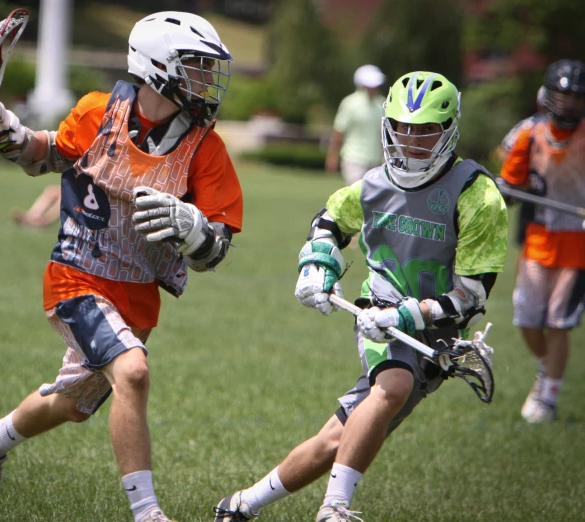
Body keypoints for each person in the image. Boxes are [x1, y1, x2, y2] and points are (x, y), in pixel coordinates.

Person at [0, 12, 242, 522]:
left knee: (72, 404)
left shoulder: (206, 147)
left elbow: (217, 248)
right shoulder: (97, 111)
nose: (205, 79)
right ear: (158, 68)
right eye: (195, 66)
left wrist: (195, 231)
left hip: (137, 298)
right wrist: (3, 130)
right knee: (131, 372)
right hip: (77, 274)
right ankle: (148, 513)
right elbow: (46, 155)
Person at [213, 71, 507, 522]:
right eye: (402, 128)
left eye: (426, 130)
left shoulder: (478, 196)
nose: (411, 141)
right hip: (378, 311)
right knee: (394, 385)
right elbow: (329, 220)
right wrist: (317, 266)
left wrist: (411, 315)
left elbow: (470, 295)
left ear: (449, 131)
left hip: (434, 336)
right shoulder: (373, 184)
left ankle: (242, 505)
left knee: (338, 438)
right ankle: (334, 509)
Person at [499, 60, 585, 423]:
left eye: (576, 96)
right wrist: (505, 192)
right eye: (562, 94)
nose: (568, 103)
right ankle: (546, 369)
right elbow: (510, 186)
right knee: (526, 319)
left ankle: (548, 397)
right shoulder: (529, 136)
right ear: (548, 95)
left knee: (558, 321)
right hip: (537, 240)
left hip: (578, 244)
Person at [497, 86, 585, 310]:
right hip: (534, 196)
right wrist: (524, 176)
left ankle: (576, 291)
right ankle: (527, 292)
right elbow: (503, 151)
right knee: (528, 245)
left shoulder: (580, 131)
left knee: (574, 247)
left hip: (568, 202)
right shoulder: (530, 126)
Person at [325, 65, 386, 186]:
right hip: (353, 158)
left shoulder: (383, 104)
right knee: (358, 194)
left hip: (375, 161)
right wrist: (332, 156)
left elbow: (384, 134)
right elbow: (339, 131)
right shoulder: (350, 103)